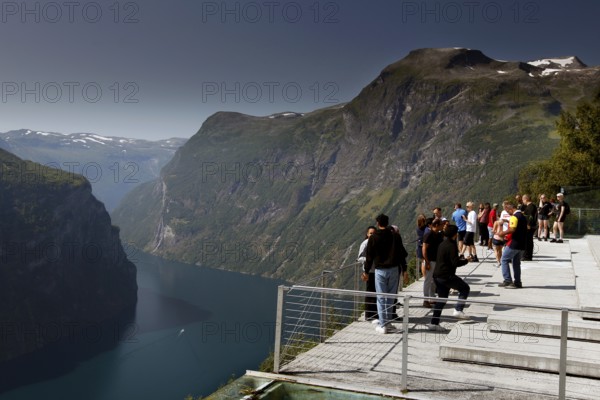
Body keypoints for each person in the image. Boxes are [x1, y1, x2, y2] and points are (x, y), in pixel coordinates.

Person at [364, 214, 408, 334]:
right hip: (394, 269)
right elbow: (402, 254)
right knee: (391, 297)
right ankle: (387, 322)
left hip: (379, 270)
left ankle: (383, 324)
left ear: (378, 223)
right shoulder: (395, 236)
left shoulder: (373, 238)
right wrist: (404, 269)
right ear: (388, 222)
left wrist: (366, 271)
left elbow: (369, 257)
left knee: (381, 298)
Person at [428, 224, 471, 331]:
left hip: (437, 275)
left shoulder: (442, 243)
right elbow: (455, 263)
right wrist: (466, 260)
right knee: (465, 288)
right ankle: (458, 310)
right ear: (455, 234)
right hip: (446, 276)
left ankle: (434, 323)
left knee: (442, 299)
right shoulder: (451, 245)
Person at [498, 202, 527, 288]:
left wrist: (502, 233)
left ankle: (508, 280)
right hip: (522, 244)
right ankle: (518, 282)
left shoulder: (514, 217)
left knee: (504, 260)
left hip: (514, 243)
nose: (508, 213)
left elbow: (512, 229)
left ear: (511, 209)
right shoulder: (522, 216)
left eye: (508, 211)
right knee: (516, 263)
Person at [358, 226, 378, 323]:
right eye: (371, 233)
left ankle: (375, 313)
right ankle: (369, 315)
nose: (372, 235)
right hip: (369, 271)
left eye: (374, 233)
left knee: (376, 292)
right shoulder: (365, 244)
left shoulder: (377, 243)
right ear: (367, 234)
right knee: (370, 293)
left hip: (377, 271)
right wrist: (369, 260)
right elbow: (360, 258)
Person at [422, 218, 443, 308]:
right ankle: (425, 299)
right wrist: (427, 262)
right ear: (437, 225)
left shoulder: (438, 235)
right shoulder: (428, 235)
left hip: (436, 260)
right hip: (430, 261)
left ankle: (431, 298)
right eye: (441, 224)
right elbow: (424, 249)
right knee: (428, 280)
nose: (442, 226)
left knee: (433, 280)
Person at [522, 194, 537, 261]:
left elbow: (530, 217)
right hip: (529, 226)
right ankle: (527, 255)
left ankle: (527, 256)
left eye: (523, 200)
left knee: (528, 241)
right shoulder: (530, 206)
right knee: (528, 241)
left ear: (526, 199)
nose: (523, 201)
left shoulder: (531, 207)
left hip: (529, 227)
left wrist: (528, 225)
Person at [416, 214, 427, 279]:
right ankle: (426, 276)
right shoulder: (425, 228)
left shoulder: (418, 228)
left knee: (423, 262)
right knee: (425, 262)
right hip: (424, 245)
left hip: (420, 246)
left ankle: (424, 276)